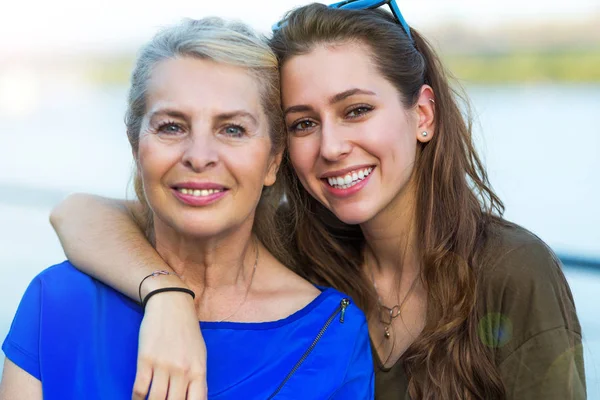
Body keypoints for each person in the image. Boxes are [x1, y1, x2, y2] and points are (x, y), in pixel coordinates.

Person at [42, 1, 584, 399]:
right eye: (304, 122)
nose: (331, 146)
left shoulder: (512, 269)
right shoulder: (294, 243)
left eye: (356, 111)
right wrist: (167, 298)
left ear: (422, 115)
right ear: (281, 148)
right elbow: (82, 213)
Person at [0, 17, 375, 400]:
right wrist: (166, 295)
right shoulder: (58, 301)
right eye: (171, 127)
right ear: (135, 146)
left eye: (232, 129)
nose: (199, 157)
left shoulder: (332, 336)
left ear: (274, 159)